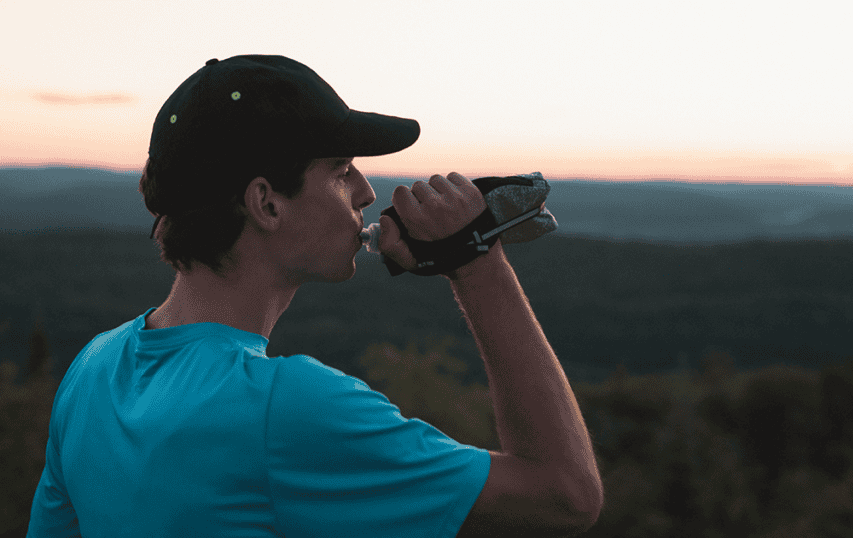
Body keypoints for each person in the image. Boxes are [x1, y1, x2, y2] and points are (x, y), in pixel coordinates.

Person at [27, 55, 603, 537]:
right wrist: (476, 261)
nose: (366, 191)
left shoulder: (94, 368)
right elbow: (566, 494)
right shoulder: (285, 409)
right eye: (340, 169)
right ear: (267, 203)